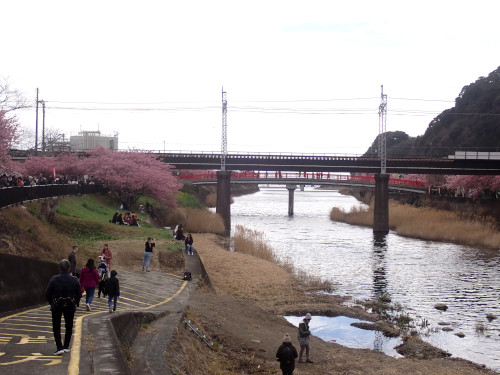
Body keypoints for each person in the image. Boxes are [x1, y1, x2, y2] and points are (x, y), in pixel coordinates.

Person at [45, 259, 82, 355]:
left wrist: (52, 303)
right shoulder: (74, 279)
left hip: (56, 305)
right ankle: (66, 346)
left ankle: (59, 347)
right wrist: (75, 302)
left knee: (56, 326)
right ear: (69, 268)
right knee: (69, 326)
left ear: (59, 268)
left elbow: (47, 294)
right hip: (70, 305)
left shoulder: (54, 279)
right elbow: (79, 293)